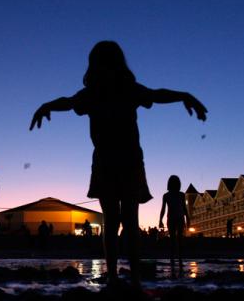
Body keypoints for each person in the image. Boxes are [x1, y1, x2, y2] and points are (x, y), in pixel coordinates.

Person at [30, 41, 207, 287]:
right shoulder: (126, 88)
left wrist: (46, 105)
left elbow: (67, 102)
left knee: (111, 220)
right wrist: (184, 96)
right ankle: (133, 278)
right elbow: (157, 94)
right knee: (129, 221)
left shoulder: (93, 93)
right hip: (129, 159)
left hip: (107, 159)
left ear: (92, 65)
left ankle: (113, 275)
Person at [159, 175, 189, 273]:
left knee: (173, 239)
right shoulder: (179, 195)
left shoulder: (168, 195)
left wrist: (160, 220)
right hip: (178, 218)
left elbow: (163, 209)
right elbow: (184, 208)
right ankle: (179, 259)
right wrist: (188, 218)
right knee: (179, 238)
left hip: (173, 218)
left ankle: (174, 259)